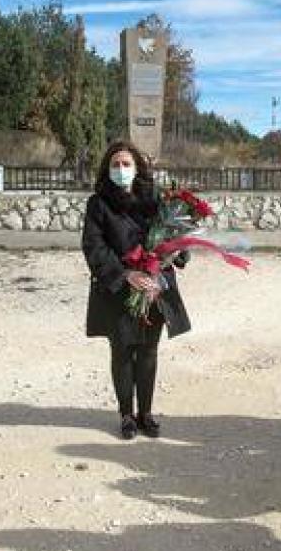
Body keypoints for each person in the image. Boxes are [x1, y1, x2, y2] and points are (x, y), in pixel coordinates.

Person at [82, 140, 191, 440]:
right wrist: (125, 274)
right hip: (118, 289)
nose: (121, 170)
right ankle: (126, 415)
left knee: (148, 351)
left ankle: (146, 413)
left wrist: (171, 257)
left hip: (155, 288)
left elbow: (175, 239)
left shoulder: (156, 200)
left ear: (137, 168)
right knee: (122, 350)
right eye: (115, 164)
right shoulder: (98, 203)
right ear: (107, 169)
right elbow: (93, 246)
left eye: (126, 164)